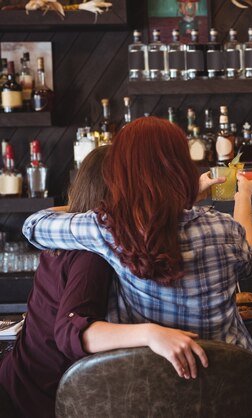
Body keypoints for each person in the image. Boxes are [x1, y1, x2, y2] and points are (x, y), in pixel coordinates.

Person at [22, 117, 252, 358]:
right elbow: (248, 261)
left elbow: (33, 225)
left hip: (148, 387)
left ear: (121, 172)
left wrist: (100, 207)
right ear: (183, 165)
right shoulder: (223, 228)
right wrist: (243, 195)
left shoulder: (109, 228)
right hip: (231, 383)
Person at [1, 146, 208, 418]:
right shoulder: (92, 255)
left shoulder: (65, 235)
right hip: (46, 401)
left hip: (23, 382)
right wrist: (151, 333)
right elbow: (71, 330)